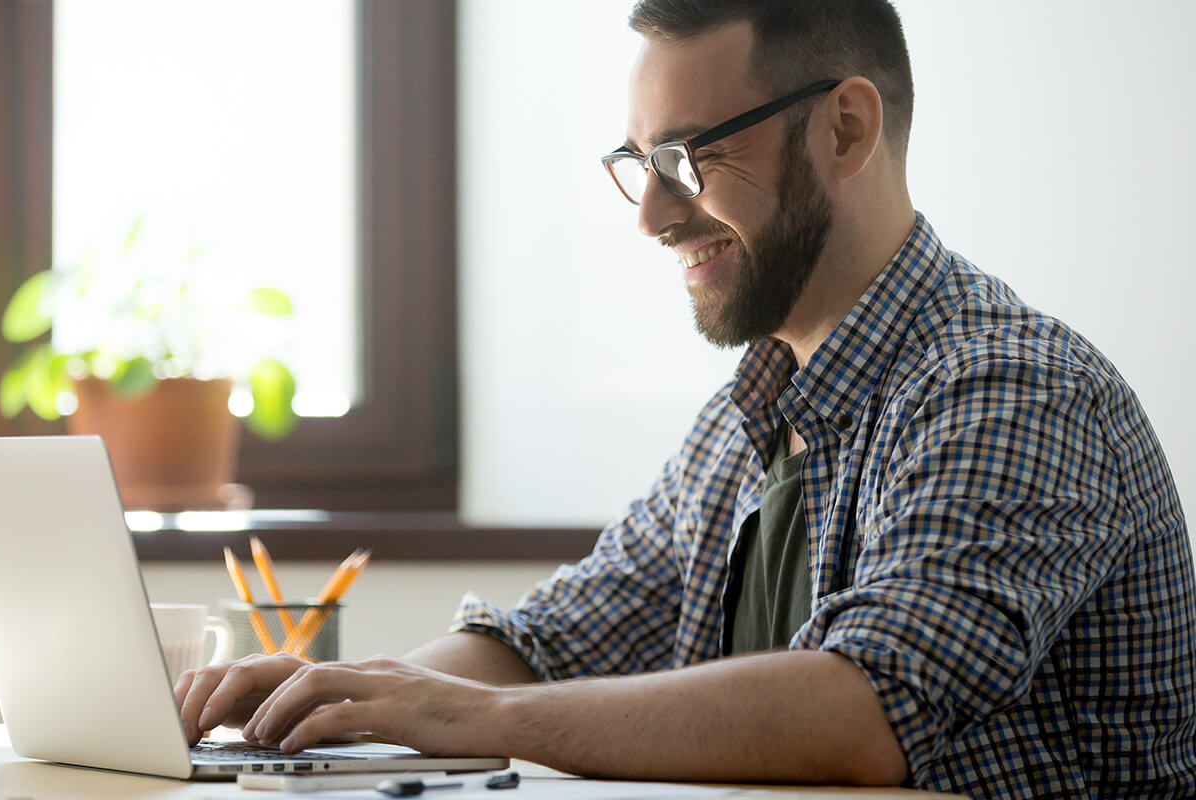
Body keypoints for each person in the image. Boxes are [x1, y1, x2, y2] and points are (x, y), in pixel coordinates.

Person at [175, 1, 1196, 796]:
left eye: (689, 155)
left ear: (844, 128)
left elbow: (864, 707)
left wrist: (461, 717)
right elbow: (549, 643)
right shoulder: (746, 413)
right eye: (639, 162)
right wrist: (348, 696)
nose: (654, 215)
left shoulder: (1010, 386)